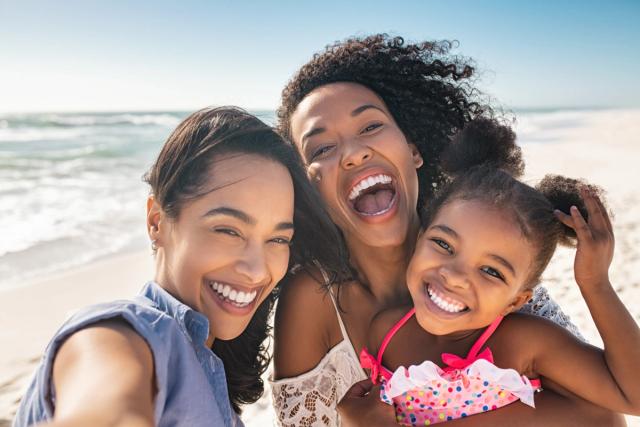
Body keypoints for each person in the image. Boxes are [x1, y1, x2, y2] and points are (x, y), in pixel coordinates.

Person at [271, 34, 622, 426]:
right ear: (307, 189)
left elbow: (607, 415)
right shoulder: (312, 301)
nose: (354, 153)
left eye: (370, 125)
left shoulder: (498, 267)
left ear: (414, 149)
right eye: (320, 149)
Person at [13, 107, 350, 427]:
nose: (257, 270)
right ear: (157, 221)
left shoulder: (207, 362)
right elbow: (107, 404)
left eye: (278, 239)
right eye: (228, 230)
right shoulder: (120, 335)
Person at [358, 118, 640, 425]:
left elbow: (632, 398)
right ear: (420, 237)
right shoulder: (384, 331)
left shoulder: (524, 342)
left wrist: (594, 283)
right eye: (443, 243)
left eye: (491, 271)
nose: (455, 275)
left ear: (516, 301)